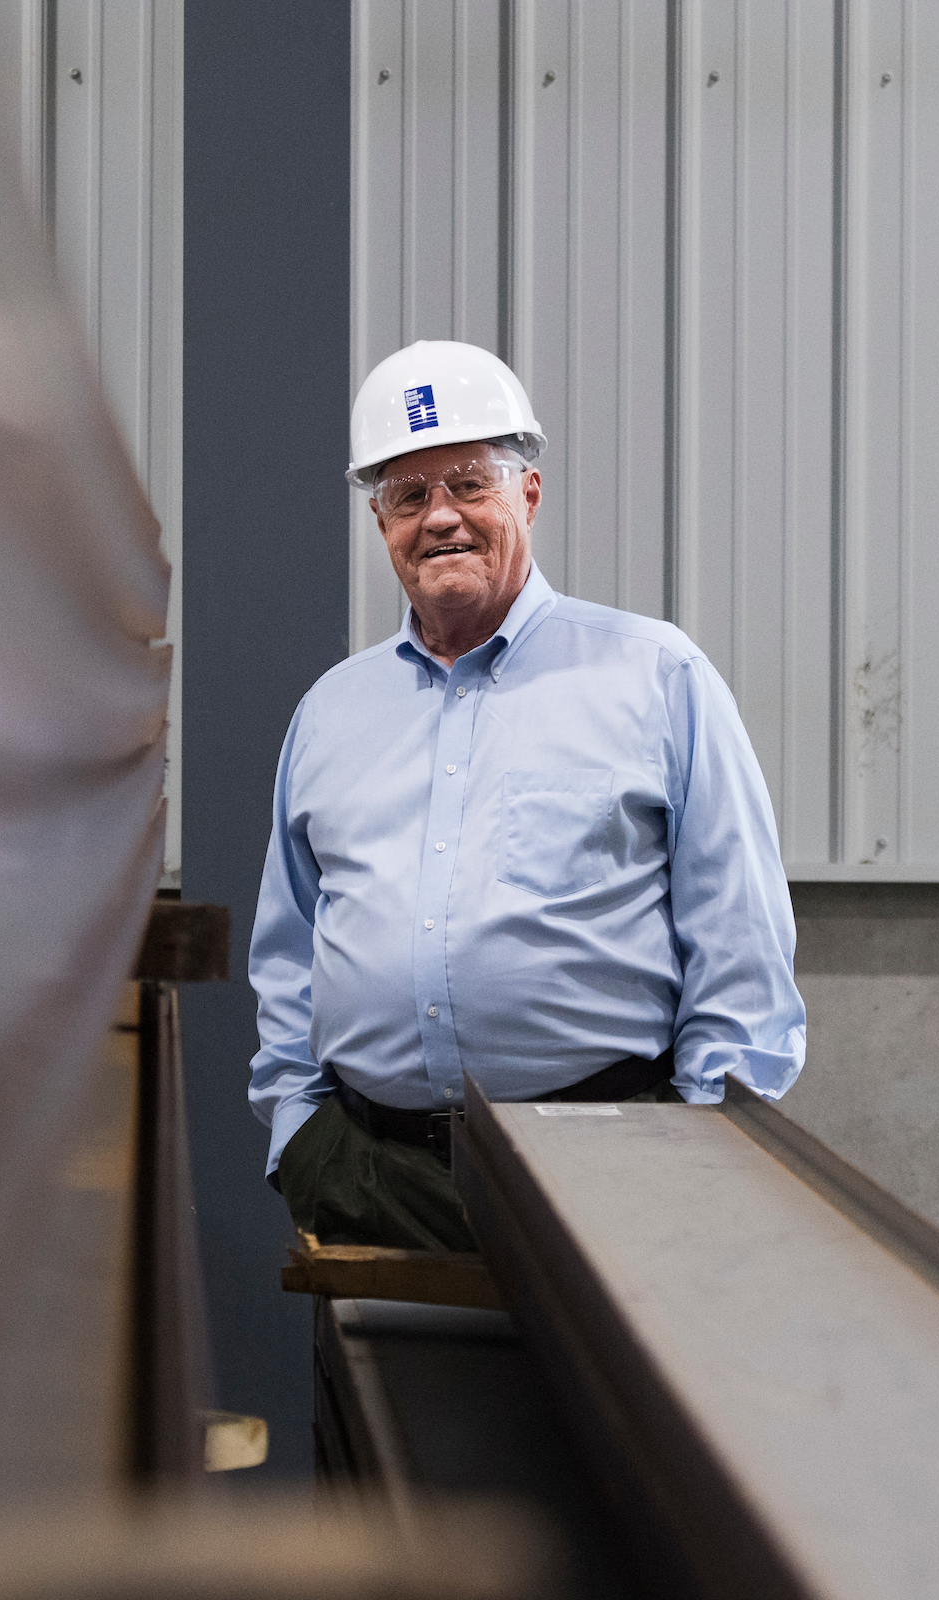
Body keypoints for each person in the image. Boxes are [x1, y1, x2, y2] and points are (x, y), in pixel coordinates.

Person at [248, 340, 806, 1252]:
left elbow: (740, 941)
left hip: (615, 1181)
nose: (441, 519)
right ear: (381, 519)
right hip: (368, 1177)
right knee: (380, 1397)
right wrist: (297, 1134)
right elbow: (289, 948)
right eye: (408, 495)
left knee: (599, 1402)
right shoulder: (331, 714)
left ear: (528, 497)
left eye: (470, 483)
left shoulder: (655, 676)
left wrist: (703, 1158)